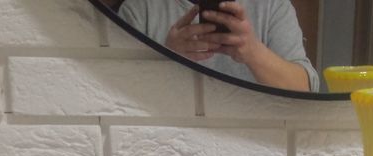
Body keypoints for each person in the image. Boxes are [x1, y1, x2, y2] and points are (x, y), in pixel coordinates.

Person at [117, 0, 319, 92]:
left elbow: (304, 90)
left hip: (255, 147)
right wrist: (166, 60)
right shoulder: (139, 9)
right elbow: (116, 96)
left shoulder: (273, 5)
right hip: (167, 151)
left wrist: (254, 52)